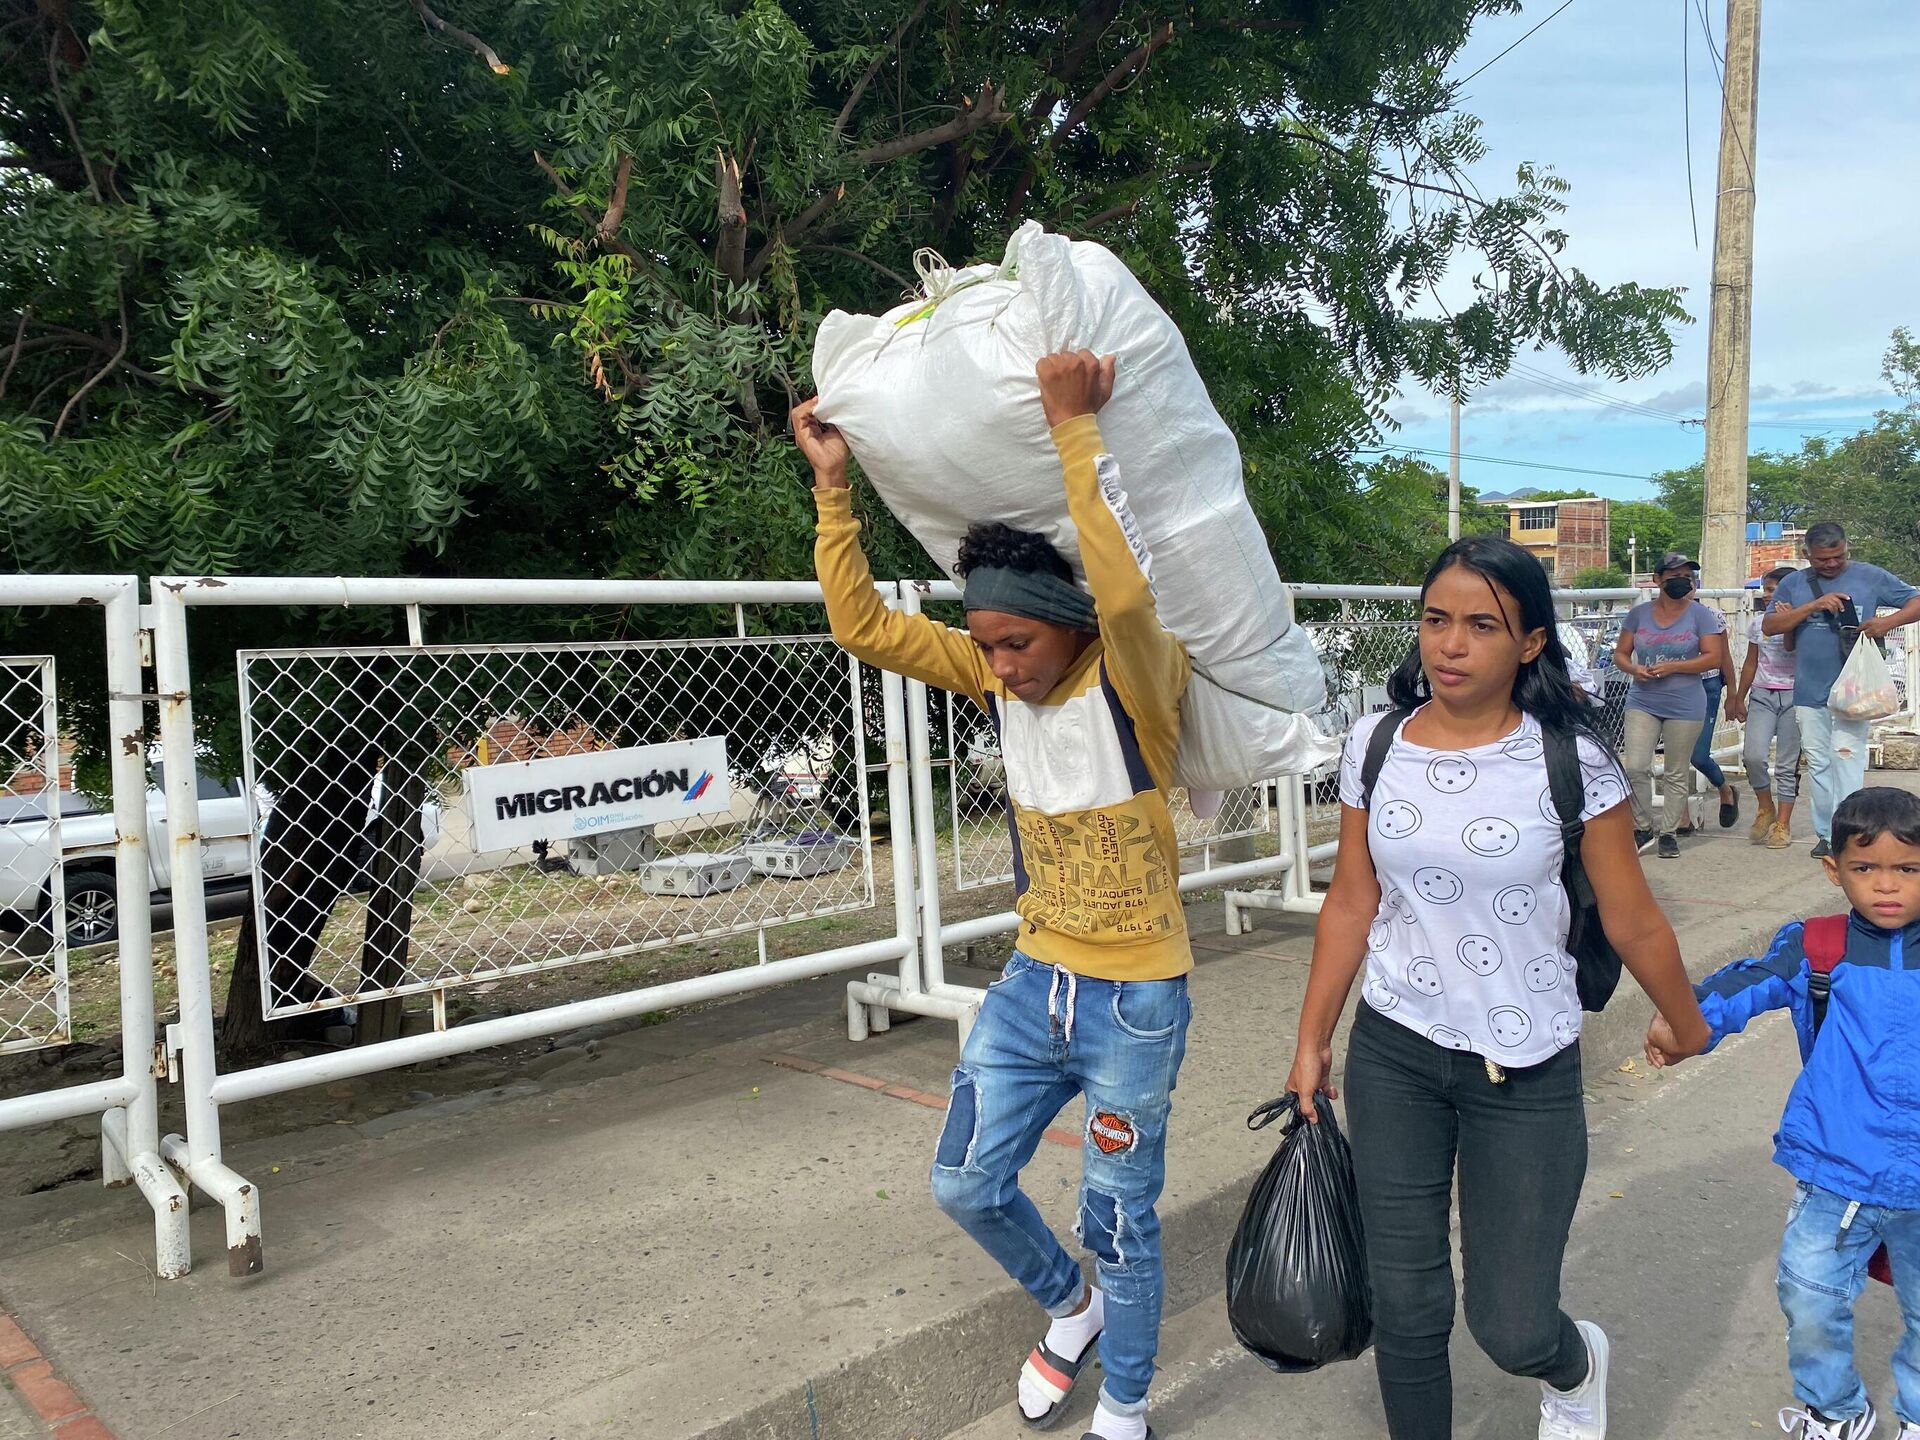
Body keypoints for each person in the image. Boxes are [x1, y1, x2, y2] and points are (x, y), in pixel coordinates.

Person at [793, 350, 1188, 1440]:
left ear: (1071, 624)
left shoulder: (1134, 683)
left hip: (1133, 1006)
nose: (1000, 664)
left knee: (1120, 1221)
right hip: (1032, 987)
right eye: (987, 644)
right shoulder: (991, 674)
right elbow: (864, 628)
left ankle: (1130, 1402)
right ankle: (1074, 1311)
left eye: (1018, 642)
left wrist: (1074, 428)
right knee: (966, 1185)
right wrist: (834, 490)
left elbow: (1124, 586)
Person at [1286, 533, 1711, 1440]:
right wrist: (1312, 1037)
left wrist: (1686, 1021)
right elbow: (1353, 902)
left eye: (1482, 625)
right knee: (1405, 1306)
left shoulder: (1574, 765)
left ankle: (1575, 1363)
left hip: (1525, 1071)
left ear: (1529, 643)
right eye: (1437, 620)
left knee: (1511, 1327)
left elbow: (1633, 919)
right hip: (1395, 1051)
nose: (1450, 644)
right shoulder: (1378, 742)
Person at [1646, 786, 1920, 1440]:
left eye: (1907, 869)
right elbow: (1742, 984)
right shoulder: (1816, 946)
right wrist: (1684, 1026)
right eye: (1865, 868)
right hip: (1836, 1171)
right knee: (1809, 1297)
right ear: (1835, 871)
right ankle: (1835, 1409)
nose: (1886, 886)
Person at [1763, 523, 1920, 859]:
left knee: (1847, 758)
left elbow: (1915, 602)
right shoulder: (1793, 583)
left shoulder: (1870, 576)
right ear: (1807, 555)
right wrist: (1813, 606)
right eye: (1823, 560)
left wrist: (1886, 623)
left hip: (1855, 689)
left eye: (1838, 556)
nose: (1831, 564)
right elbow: (1770, 626)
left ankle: (1848, 833)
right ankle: (1826, 833)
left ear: (1847, 548)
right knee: (1819, 763)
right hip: (1809, 689)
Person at [1613, 552, 1734, 858]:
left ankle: (1668, 833)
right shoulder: (1638, 615)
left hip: (1686, 702)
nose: (1681, 582)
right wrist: (1633, 668)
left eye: (1687, 576)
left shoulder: (1700, 615)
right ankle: (1642, 827)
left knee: (1675, 771)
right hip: (1643, 699)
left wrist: (1675, 666)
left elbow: (1713, 657)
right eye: (1673, 576)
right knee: (1637, 766)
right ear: (1657, 580)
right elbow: (1621, 654)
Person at [1728, 567, 1803, 849]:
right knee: (1753, 756)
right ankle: (1765, 807)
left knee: (1786, 764)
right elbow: (1751, 662)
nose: (1769, 595)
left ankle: (1783, 824)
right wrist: (1738, 696)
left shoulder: (1806, 620)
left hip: (1795, 695)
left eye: (1775, 590)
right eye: (1767, 589)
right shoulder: (1759, 622)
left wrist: (1791, 621)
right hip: (1763, 694)